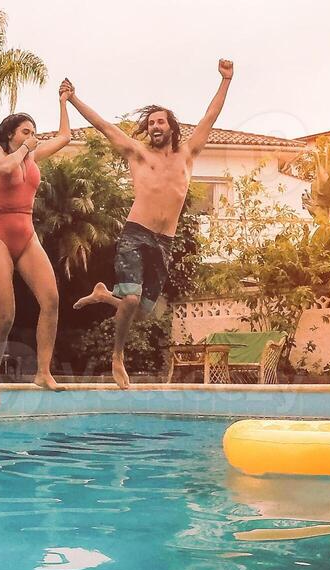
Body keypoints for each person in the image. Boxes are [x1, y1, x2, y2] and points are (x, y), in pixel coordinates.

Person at [67, 60, 235, 388]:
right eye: (151, 122)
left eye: (161, 121)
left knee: (143, 310)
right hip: (136, 233)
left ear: (171, 126)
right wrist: (74, 99)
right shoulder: (137, 154)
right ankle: (117, 357)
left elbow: (210, 117)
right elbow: (103, 126)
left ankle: (103, 295)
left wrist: (226, 80)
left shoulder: (187, 154)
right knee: (130, 300)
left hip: (165, 241)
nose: (156, 126)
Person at [0, 87, 75, 407]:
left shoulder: (31, 154)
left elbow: (64, 137)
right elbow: (6, 167)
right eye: (26, 131)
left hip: (26, 232)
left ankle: (43, 372)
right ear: (11, 133)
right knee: (5, 315)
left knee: (51, 300)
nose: (32, 136)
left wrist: (63, 102)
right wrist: (24, 150)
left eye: (33, 131)